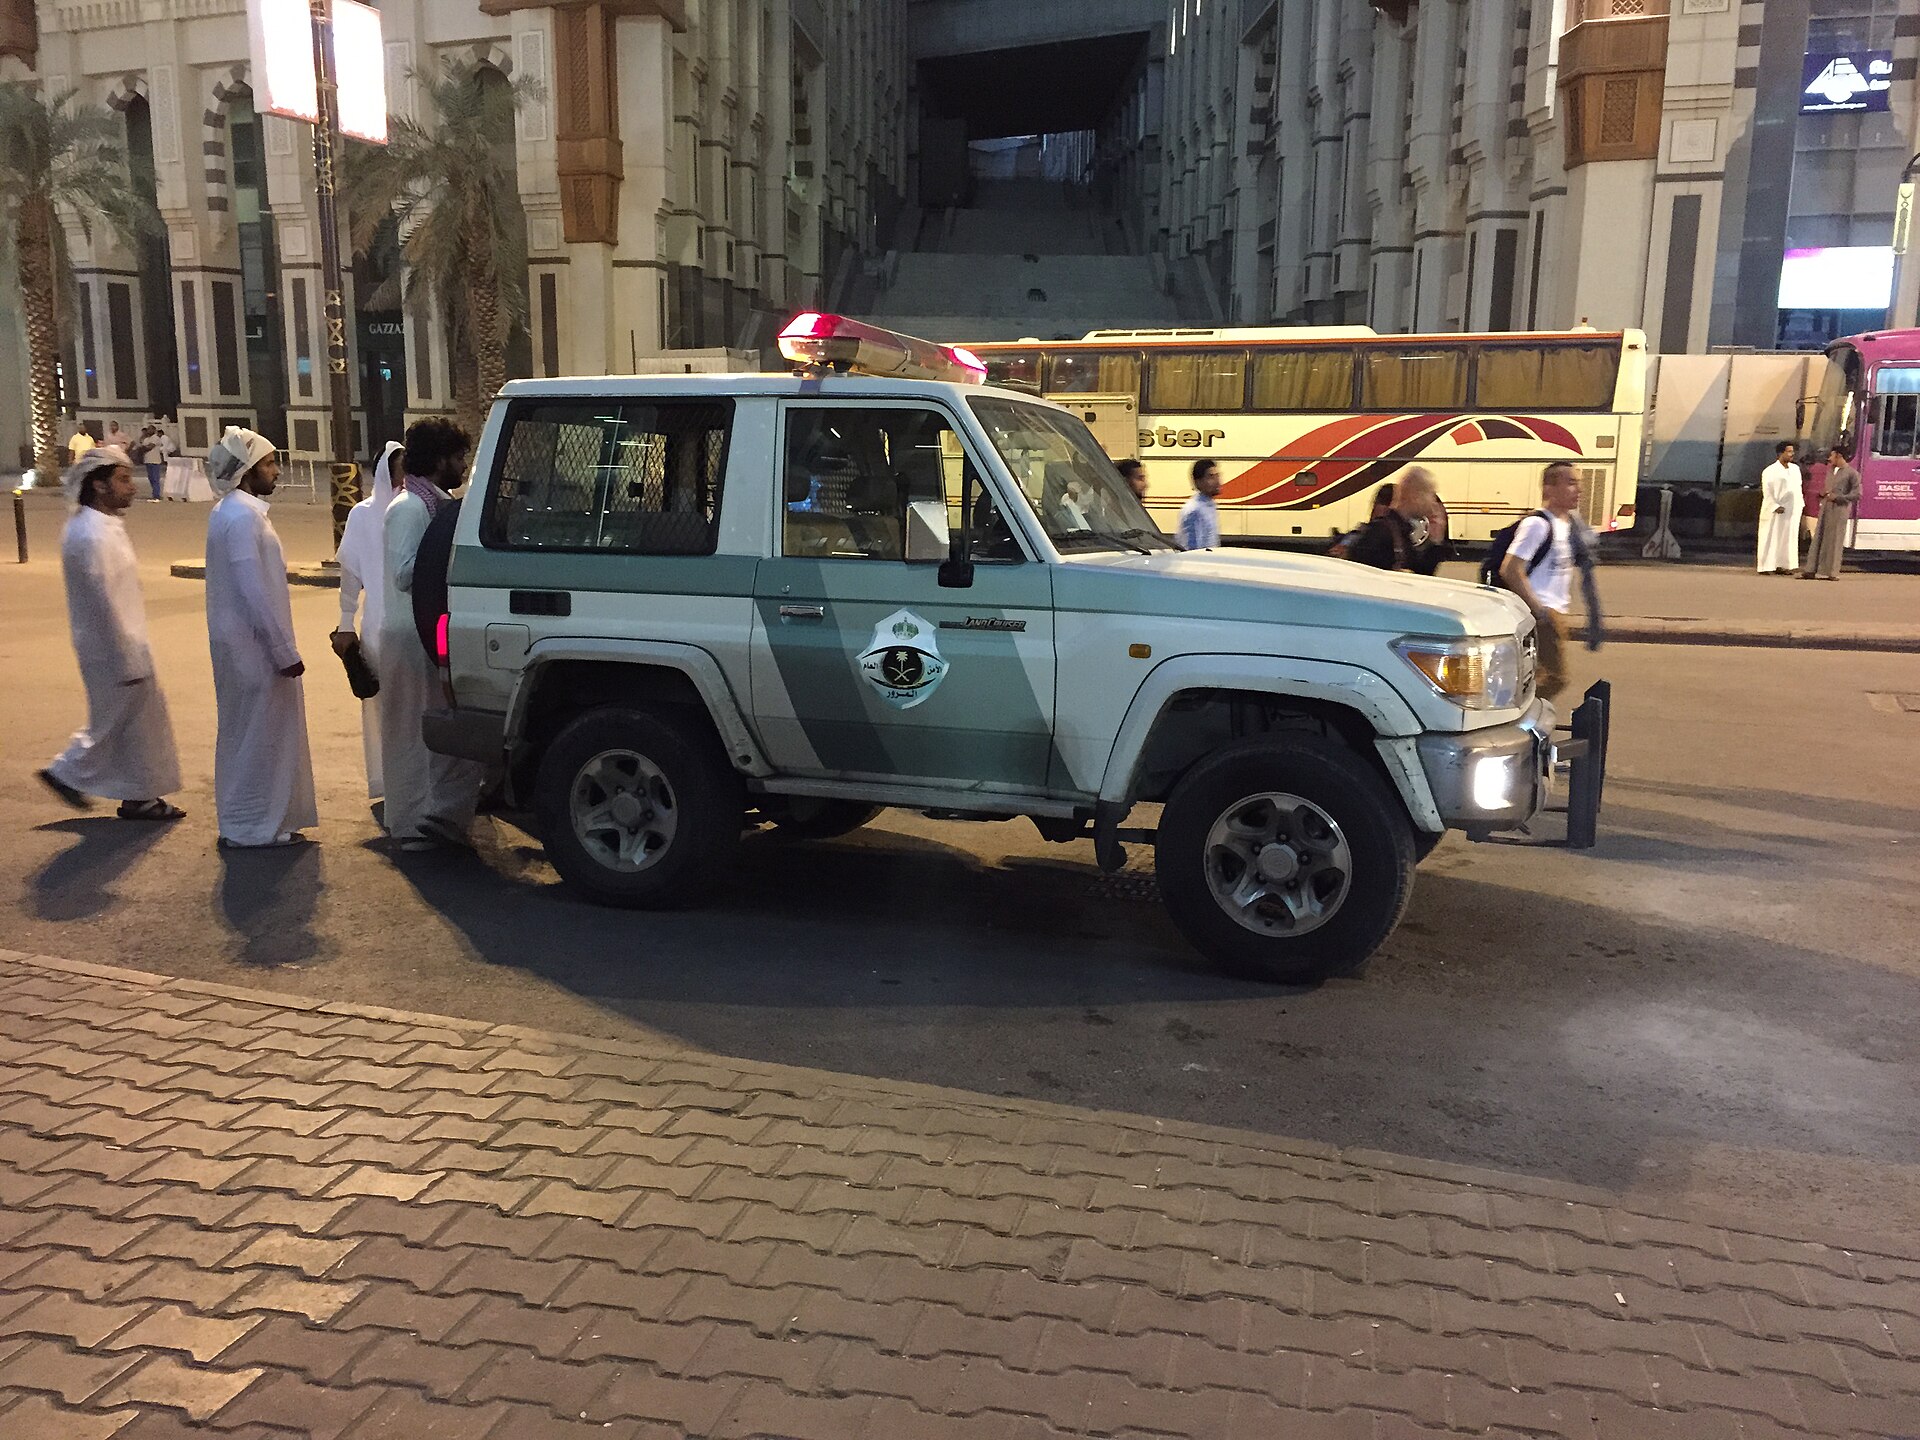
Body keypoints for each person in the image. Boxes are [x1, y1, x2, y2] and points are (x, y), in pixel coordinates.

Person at [35, 446, 186, 821]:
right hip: (113, 648)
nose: (131, 487)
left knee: (140, 724)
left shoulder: (100, 526)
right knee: (112, 722)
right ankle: (65, 772)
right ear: (98, 485)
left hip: (123, 644)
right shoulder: (91, 534)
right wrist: (127, 654)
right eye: (122, 479)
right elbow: (106, 603)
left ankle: (141, 797)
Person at [205, 426, 317, 849]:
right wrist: (282, 650)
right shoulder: (240, 516)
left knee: (255, 736)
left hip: (248, 648)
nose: (276, 471)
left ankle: (263, 821)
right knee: (257, 739)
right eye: (268, 464)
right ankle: (251, 826)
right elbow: (252, 589)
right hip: (253, 651)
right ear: (247, 471)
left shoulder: (235, 512)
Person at [380, 418, 483, 852]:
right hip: (410, 632)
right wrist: (447, 556)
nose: (464, 465)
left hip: (426, 628)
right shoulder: (408, 508)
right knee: (414, 736)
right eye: (459, 457)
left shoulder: (431, 504)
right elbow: (405, 575)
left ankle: (438, 819)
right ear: (440, 460)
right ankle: (412, 825)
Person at [330, 440, 407, 805]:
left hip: (412, 623)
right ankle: (389, 781)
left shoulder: (417, 509)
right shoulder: (363, 514)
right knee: (382, 706)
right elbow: (351, 576)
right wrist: (346, 622)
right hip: (378, 622)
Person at [1498, 462, 1591, 702]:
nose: (1578, 489)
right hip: (1542, 613)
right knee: (1556, 677)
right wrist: (1539, 610)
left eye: (1578, 483)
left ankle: (1520, 718)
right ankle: (1511, 714)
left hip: (1554, 613)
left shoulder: (1567, 524)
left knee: (1535, 676)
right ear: (1549, 488)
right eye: (1570, 483)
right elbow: (1510, 569)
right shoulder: (1537, 524)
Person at [1345, 467, 1449, 575]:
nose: (1433, 502)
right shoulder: (1383, 534)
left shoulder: (1399, 532)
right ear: (1415, 496)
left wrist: (1435, 542)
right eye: (1431, 494)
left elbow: (1420, 574)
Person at [1803, 446, 1861, 581]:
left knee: (1834, 541)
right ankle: (1811, 570)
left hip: (1839, 510)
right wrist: (1822, 494)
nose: (1829, 458)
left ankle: (1832, 573)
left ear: (1839, 456)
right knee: (1819, 538)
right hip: (1826, 508)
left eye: (1832, 455)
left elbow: (1857, 494)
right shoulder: (1830, 471)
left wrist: (1839, 498)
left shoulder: (1852, 473)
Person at [1757, 441, 1803, 575]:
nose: (1792, 454)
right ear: (1780, 453)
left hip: (1792, 509)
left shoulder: (1795, 469)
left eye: (1792, 451)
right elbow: (1767, 491)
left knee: (1788, 538)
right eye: (1789, 451)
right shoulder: (1770, 471)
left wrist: (1800, 504)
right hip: (1776, 510)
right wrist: (1775, 505)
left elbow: (1798, 488)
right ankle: (1765, 566)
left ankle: (1784, 565)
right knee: (1770, 537)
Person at [1177, 458, 1221, 550]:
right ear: (1198, 482)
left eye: (1218, 476)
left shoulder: (1210, 505)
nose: (1217, 481)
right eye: (1211, 476)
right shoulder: (1194, 510)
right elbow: (1192, 548)